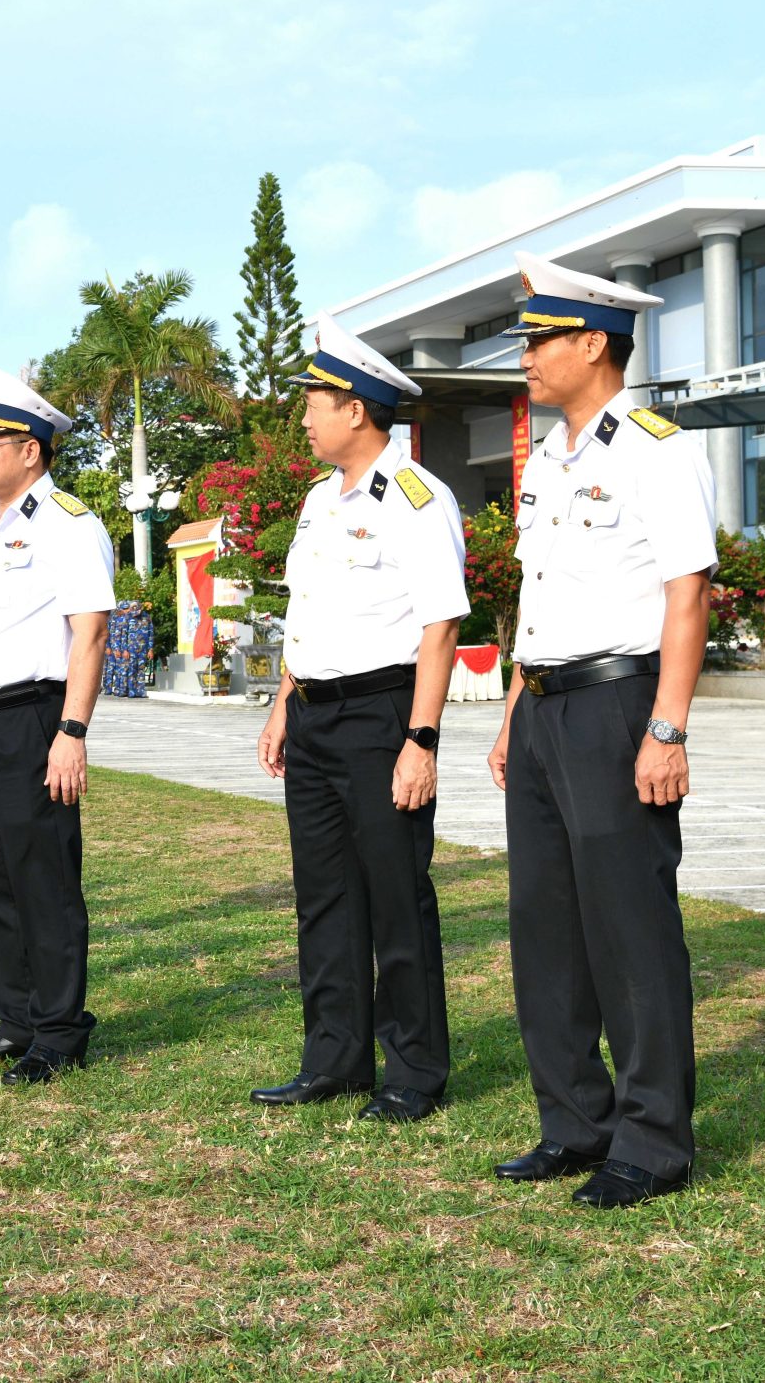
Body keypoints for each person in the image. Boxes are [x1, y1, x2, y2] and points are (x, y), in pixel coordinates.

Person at [484, 253, 715, 1210]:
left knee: (629, 927)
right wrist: (509, 715)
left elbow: (687, 591)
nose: (526, 359)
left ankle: (654, 1139)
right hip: (541, 707)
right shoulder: (548, 460)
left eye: (539, 341)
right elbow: (539, 601)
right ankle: (573, 1123)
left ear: (591, 343)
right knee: (547, 927)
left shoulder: (656, 448)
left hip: (619, 706)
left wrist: (667, 726)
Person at [250, 316, 466, 1119]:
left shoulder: (416, 498)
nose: (304, 416)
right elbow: (308, 617)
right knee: (325, 895)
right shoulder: (317, 502)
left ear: (358, 410)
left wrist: (421, 739)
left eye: (315, 400)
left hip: (383, 714)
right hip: (314, 717)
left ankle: (414, 1070)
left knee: (395, 895)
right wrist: (281, 706)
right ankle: (333, 1057)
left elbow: (440, 626)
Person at [0, 367, 114, 1086]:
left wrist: (72, 730)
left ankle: (61, 1030)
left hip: (30, 720)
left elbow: (90, 634)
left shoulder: (68, 523)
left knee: (42, 879)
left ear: (31, 449)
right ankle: (16, 1018)